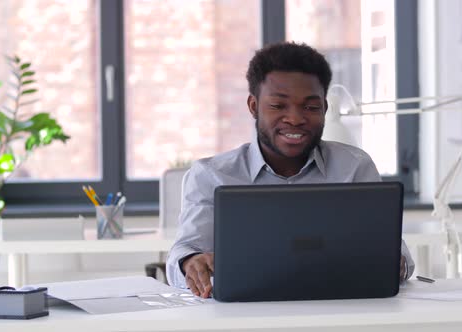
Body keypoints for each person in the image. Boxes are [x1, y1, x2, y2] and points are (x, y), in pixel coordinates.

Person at [166, 42, 415, 297]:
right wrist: (191, 262)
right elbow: (183, 253)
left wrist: (394, 262)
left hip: (339, 310)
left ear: (325, 109)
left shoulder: (354, 166)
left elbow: (397, 251)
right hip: (244, 316)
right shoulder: (211, 175)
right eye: (278, 106)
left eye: (310, 107)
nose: (295, 118)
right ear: (253, 106)